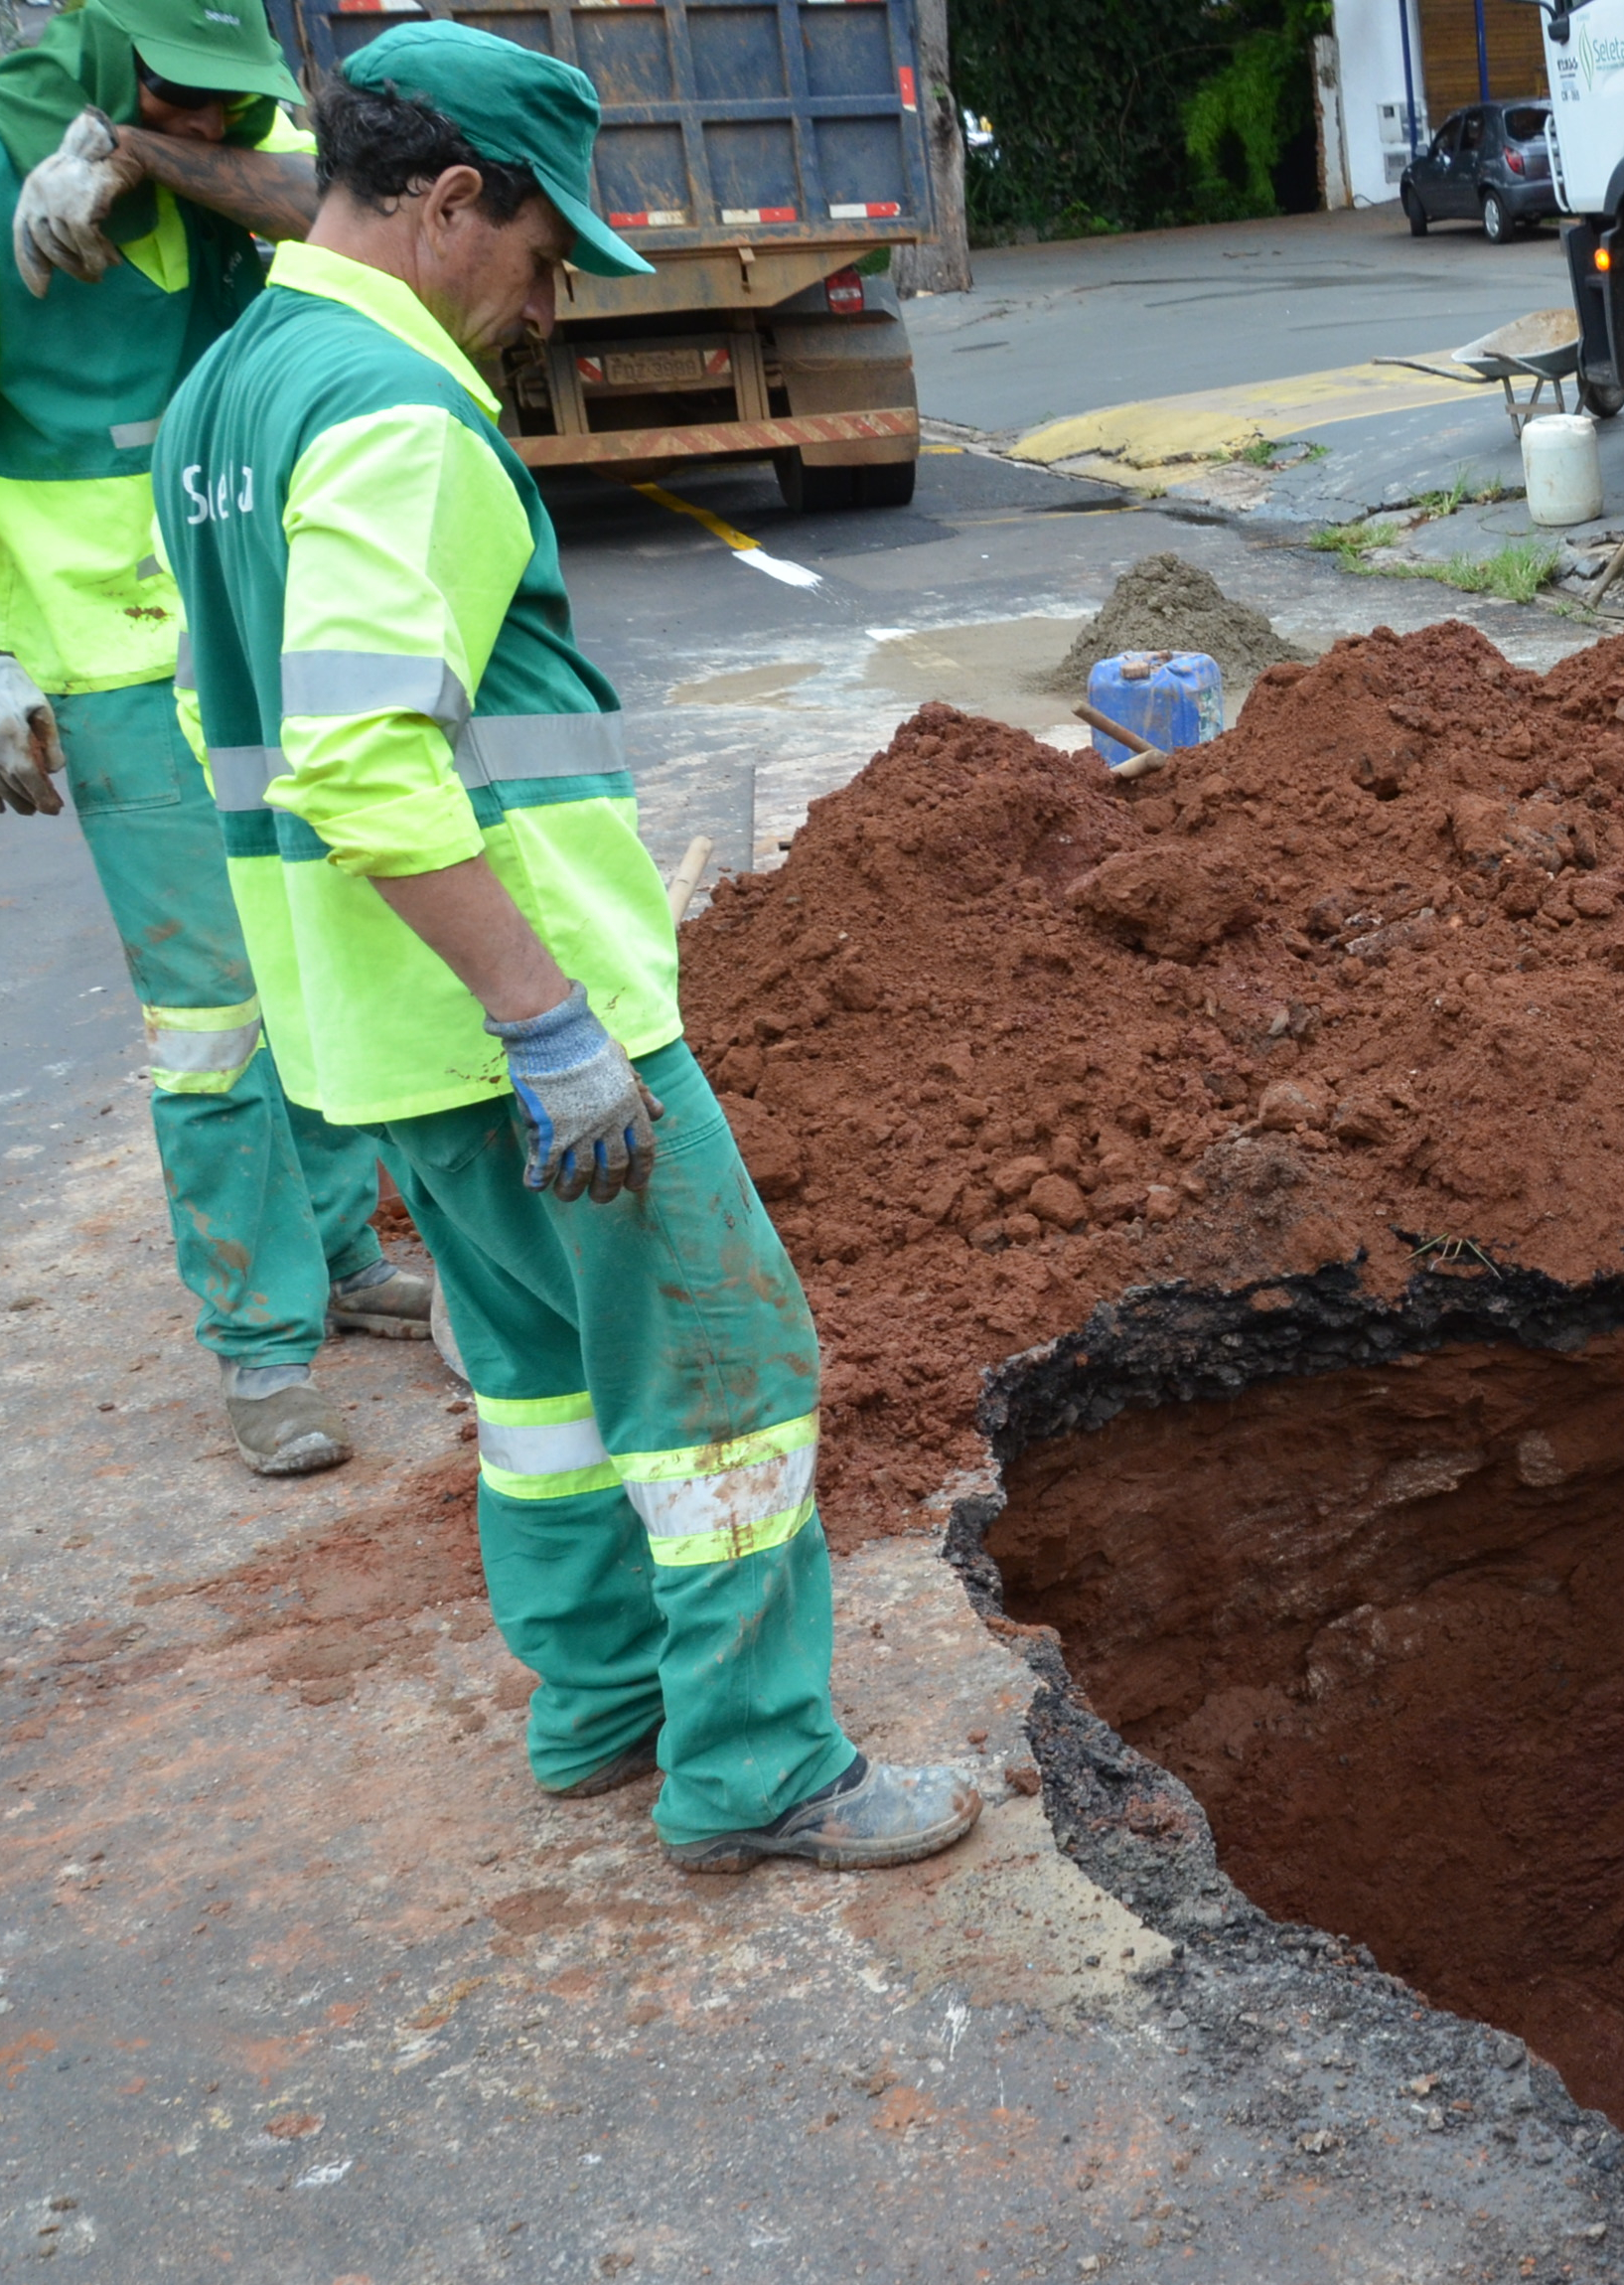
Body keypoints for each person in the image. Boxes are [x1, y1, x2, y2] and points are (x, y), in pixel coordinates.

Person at [159, 21, 977, 1873]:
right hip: (518, 1014)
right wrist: (552, 1024)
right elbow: (365, 752)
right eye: (540, 259)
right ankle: (757, 1765)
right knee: (723, 1378)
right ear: (453, 202)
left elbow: (243, 713)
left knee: (539, 1388)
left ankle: (598, 1702)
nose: (544, 308)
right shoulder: (395, 410)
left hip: (371, 1022)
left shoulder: (228, 389)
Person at [0, 0, 432, 1475]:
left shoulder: (219, 132)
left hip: (250, 622)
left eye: (226, 100)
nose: (218, 119)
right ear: (97, 47)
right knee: (211, 1010)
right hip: (100, 655)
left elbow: (327, 206)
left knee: (315, 948)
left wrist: (142, 156)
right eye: (174, 97)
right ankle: (260, 1352)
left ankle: (336, 1260)